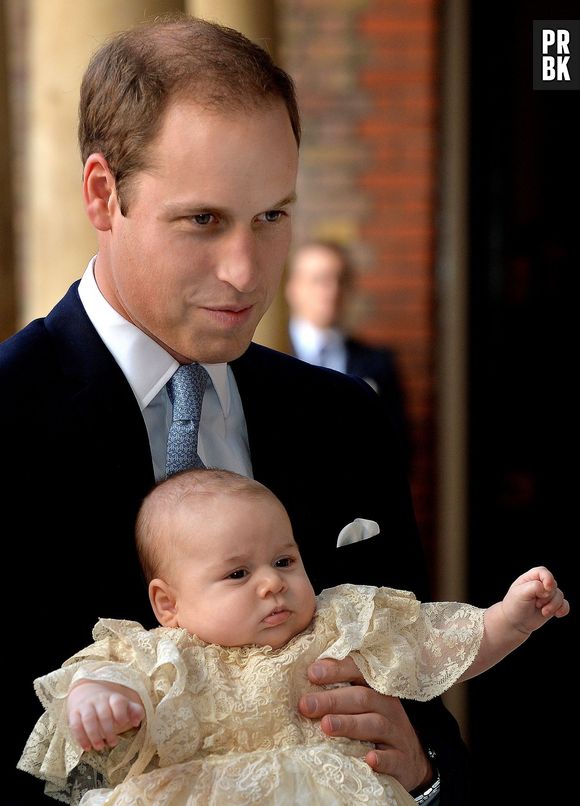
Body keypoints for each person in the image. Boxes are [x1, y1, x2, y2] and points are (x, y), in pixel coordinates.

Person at [1, 13, 460, 803]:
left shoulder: (345, 418)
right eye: (204, 221)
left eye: (272, 217)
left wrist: (421, 769)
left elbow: (423, 706)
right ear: (103, 195)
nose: (247, 272)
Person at [18, 469, 569, 806]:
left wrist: (507, 620)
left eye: (284, 560)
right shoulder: (164, 654)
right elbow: (98, 673)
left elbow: (436, 645)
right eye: (238, 574)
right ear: (168, 604)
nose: (272, 585)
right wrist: (102, 697)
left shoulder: (337, 625)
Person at [285, 240, 410, 468]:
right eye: (319, 280)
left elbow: (399, 448)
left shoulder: (377, 363)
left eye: (341, 280)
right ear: (293, 288)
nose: (332, 291)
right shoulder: (262, 355)